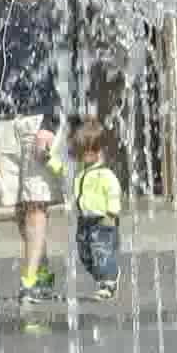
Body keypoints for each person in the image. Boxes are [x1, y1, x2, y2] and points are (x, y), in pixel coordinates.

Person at [0, 0, 61, 304]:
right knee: (18, 205)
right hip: (1, 120)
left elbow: (66, 74)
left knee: (36, 200)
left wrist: (51, 124)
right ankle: (41, 266)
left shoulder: (53, 16)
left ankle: (28, 280)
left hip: (38, 117)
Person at [47, 116, 122, 300]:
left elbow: (114, 192)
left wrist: (112, 213)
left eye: (82, 152)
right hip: (84, 220)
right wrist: (48, 159)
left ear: (96, 150)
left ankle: (108, 282)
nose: (78, 155)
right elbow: (61, 169)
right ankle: (105, 275)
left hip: (103, 220)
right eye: (77, 151)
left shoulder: (104, 173)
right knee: (85, 255)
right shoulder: (79, 170)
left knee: (101, 251)